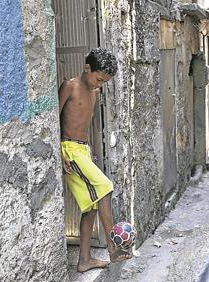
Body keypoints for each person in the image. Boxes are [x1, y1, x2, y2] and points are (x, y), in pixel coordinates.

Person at [59, 48, 131, 273]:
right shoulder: (70, 86)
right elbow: (53, 120)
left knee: (90, 208)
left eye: (104, 81)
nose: (99, 84)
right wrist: (58, 151)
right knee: (105, 187)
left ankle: (84, 260)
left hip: (83, 150)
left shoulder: (95, 92)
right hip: (69, 150)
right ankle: (113, 247)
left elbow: (85, 123)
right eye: (99, 78)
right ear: (87, 68)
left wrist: (88, 152)